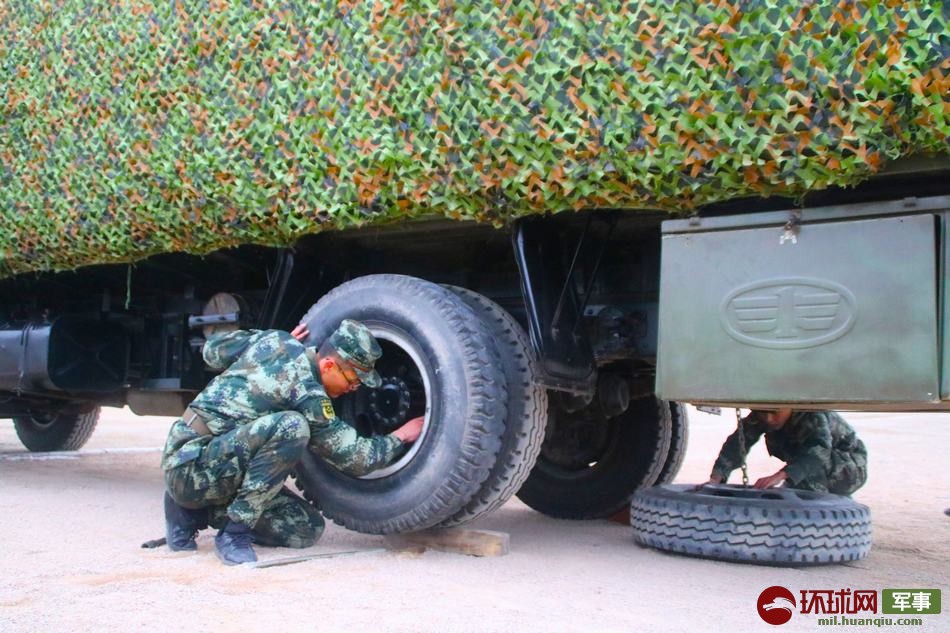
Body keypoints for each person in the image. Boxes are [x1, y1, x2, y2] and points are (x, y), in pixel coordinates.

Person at [161, 319, 424, 565]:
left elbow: (211, 351)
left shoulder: (275, 340)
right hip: (189, 465)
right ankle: (234, 533)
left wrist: (268, 342)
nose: (353, 388)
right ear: (329, 366)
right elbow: (358, 458)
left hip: (203, 456)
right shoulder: (309, 396)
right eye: (353, 381)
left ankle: (193, 511)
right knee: (293, 427)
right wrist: (401, 435)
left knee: (306, 529)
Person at [706, 409, 868, 496]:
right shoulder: (764, 413)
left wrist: (780, 475)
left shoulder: (812, 415)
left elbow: (819, 452)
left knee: (811, 466)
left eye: (775, 413)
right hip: (813, 468)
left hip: (849, 470)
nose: (768, 419)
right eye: (763, 413)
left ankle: (818, 508)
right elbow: (737, 443)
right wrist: (717, 477)